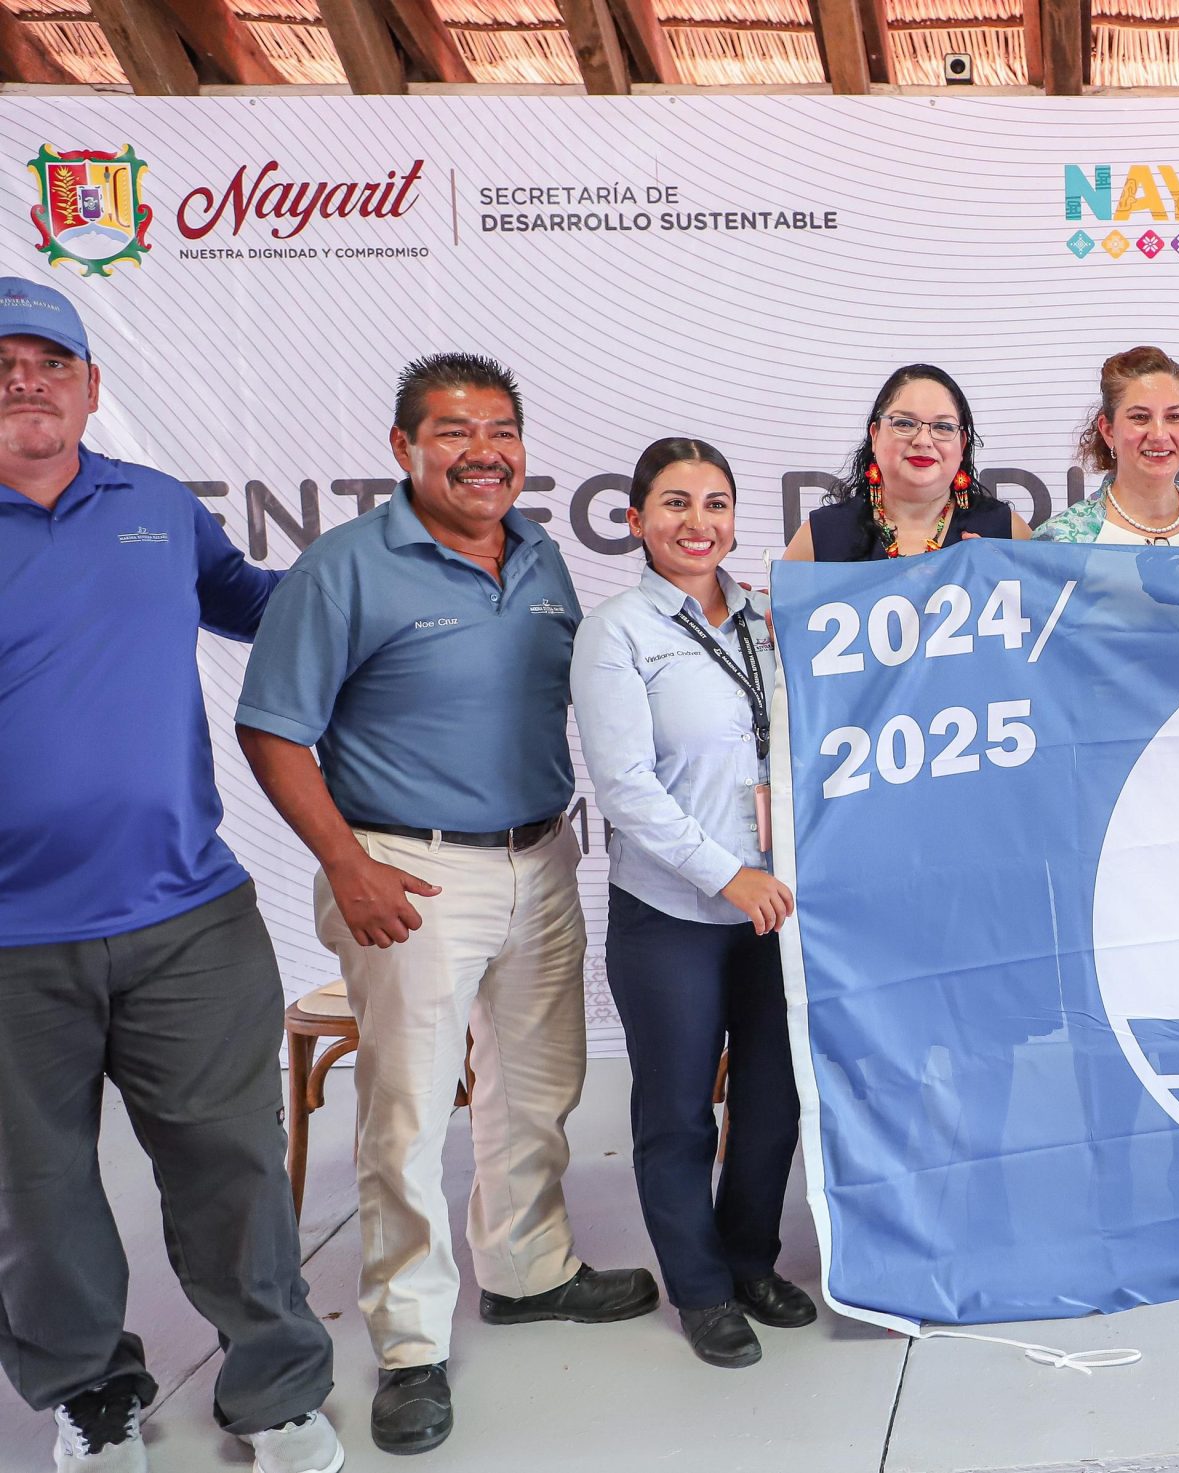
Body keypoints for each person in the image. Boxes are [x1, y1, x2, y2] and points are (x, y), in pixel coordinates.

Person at [237, 354, 657, 1456]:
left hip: (541, 854)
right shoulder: (343, 569)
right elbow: (272, 730)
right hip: (409, 870)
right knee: (411, 1114)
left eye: (502, 431)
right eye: (455, 432)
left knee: (537, 1084)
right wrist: (345, 865)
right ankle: (412, 1345)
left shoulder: (544, 556)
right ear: (403, 449)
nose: (483, 452)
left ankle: (525, 1273)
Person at [0, 279, 343, 1473]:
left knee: (233, 1167)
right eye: (3, 362)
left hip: (188, 917)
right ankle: (91, 1394)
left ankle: (277, 1392)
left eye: (51, 360)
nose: (25, 379)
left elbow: (254, 605)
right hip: (9, 943)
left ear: (92, 388)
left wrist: (380, 570)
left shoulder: (156, 508)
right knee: (33, 1197)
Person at [573, 439, 818, 1364]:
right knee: (678, 1109)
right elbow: (627, 788)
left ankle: (751, 1258)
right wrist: (728, 873)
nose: (698, 523)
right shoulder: (619, 631)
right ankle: (702, 1287)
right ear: (635, 520)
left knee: (773, 1096)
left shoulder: (767, 619)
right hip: (673, 912)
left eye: (715, 504)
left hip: (775, 906)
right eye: (675, 504)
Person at [781, 363, 1027, 562]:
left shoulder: (1007, 534)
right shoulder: (821, 536)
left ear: (962, 444)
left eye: (943, 427)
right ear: (875, 435)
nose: (923, 440)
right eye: (904, 424)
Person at [1034, 345, 1179, 547]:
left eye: (1174, 416)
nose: (1159, 435)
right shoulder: (1059, 540)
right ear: (1108, 430)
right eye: (1140, 417)